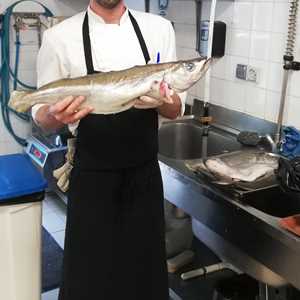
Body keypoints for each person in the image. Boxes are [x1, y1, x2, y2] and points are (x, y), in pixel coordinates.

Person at [33, 0, 185, 299]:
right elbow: (41, 114)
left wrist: (162, 101)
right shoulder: (60, 37)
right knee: (89, 274)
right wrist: (54, 115)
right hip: (91, 176)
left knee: (144, 273)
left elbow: (175, 107)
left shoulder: (159, 29)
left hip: (144, 175)